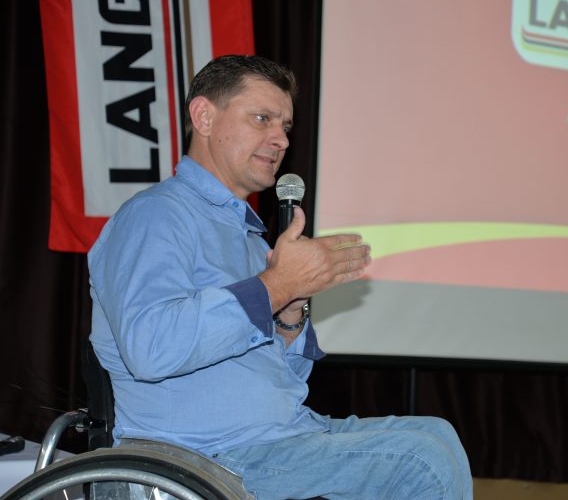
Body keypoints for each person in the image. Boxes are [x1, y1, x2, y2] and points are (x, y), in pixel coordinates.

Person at [88, 54, 473, 500]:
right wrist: (276, 286)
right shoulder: (155, 216)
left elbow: (282, 377)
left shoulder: (252, 239)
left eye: (285, 126)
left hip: (277, 436)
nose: (281, 140)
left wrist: (290, 312)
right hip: (202, 456)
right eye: (262, 119)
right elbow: (151, 347)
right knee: (421, 461)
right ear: (204, 117)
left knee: (438, 434)